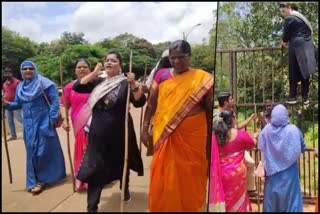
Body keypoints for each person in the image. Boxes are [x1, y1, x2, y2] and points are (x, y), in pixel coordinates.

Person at [143, 40, 213, 212]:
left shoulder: (203, 79)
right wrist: (145, 129)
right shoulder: (162, 75)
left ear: (189, 56)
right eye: (172, 58)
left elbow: (209, 110)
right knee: (164, 176)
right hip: (166, 136)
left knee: (192, 176)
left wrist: (210, 141)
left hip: (194, 135)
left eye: (180, 57)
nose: (176, 62)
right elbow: (151, 104)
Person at [72, 51, 145, 212]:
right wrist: (94, 72)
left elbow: (140, 102)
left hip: (121, 133)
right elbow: (78, 86)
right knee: (95, 168)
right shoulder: (98, 82)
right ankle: (92, 207)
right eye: (107, 60)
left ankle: (124, 188)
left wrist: (133, 84)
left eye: (113, 60)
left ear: (120, 64)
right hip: (98, 135)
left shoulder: (125, 82)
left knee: (122, 163)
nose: (109, 63)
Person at [2, 60, 66, 194]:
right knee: (32, 152)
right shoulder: (21, 87)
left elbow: (55, 102)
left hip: (44, 122)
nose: (27, 70)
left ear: (35, 69)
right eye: (24, 69)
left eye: (30, 68)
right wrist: (5, 104)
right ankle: (34, 180)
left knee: (42, 151)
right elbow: (18, 104)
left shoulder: (44, 83)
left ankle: (42, 180)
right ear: (21, 71)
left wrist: (52, 119)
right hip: (28, 126)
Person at [258, 104, 305, 212]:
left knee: (272, 203)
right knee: (292, 201)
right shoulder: (293, 130)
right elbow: (302, 146)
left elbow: (261, 145)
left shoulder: (266, 130)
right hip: (290, 174)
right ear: (285, 116)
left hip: (272, 173)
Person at [214, 91, 258, 197]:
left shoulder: (231, 112)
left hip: (234, 144)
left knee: (250, 163)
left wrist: (250, 118)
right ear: (225, 102)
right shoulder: (216, 116)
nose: (233, 100)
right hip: (221, 146)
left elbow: (236, 127)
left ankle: (250, 190)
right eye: (231, 99)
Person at [211, 110, 256, 212]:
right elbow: (251, 144)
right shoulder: (241, 134)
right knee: (240, 199)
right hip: (237, 174)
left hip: (220, 173)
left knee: (224, 199)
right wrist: (255, 138)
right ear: (233, 119)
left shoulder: (215, 136)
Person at [60, 58, 92, 191]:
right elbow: (64, 106)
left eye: (85, 67)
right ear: (75, 71)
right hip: (78, 122)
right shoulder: (69, 87)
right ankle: (81, 178)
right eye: (79, 67)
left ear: (90, 70)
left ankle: (95, 177)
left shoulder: (96, 84)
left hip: (94, 121)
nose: (82, 69)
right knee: (81, 148)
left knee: (94, 148)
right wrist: (65, 120)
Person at [279, 3, 317, 105]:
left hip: (296, 45)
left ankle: (293, 97)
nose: (283, 14)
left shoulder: (290, 18)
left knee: (293, 70)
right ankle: (305, 97)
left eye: (283, 11)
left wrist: (282, 42)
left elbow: (285, 37)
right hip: (308, 46)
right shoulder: (303, 19)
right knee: (305, 71)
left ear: (289, 8)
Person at [140, 50, 172, 154]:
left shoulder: (184, 72)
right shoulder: (158, 72)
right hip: (158, 109)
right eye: (169, 58)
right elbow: (148, 88)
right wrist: (146, 88)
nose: (173, 61)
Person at [2, 67, 22, 141]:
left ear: (12, 74)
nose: (7, 75)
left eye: (8, 73)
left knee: (20, 119)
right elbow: (5, 92)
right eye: (5, 73)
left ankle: (27, 132)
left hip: (16, 104)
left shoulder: (17, 82)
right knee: (9, 121)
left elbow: (21, 93)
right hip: (7, 104)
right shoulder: (4, 84)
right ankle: (13, 135)